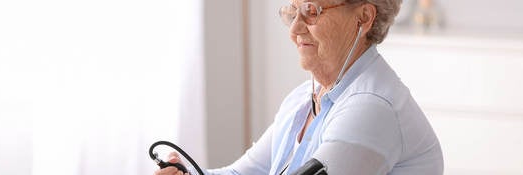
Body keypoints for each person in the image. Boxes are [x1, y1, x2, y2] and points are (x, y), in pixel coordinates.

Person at [155, 0, 443, 174]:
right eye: (292, 11)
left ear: (364, 17)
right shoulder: (303, 102)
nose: (294, 29)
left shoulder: (373, 107)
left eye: (311, 11)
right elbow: (241, 173)